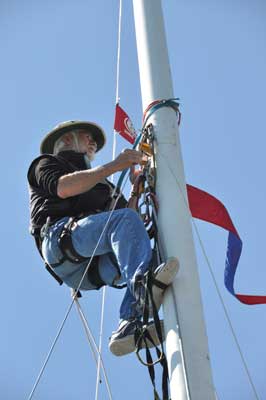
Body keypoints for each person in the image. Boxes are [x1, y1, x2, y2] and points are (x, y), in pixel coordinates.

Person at [27, 120, 178, 356]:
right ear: (66, 140)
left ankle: (129, 323)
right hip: (61, 242)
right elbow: (64, 188)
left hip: (92, 269)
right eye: (87, 137)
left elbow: (129, 227)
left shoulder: (104, 186)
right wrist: (116, 165)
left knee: (155, 252)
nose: (94, 143)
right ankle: (141, 295)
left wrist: (136, 189)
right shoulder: (46, 164)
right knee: (125, 223)